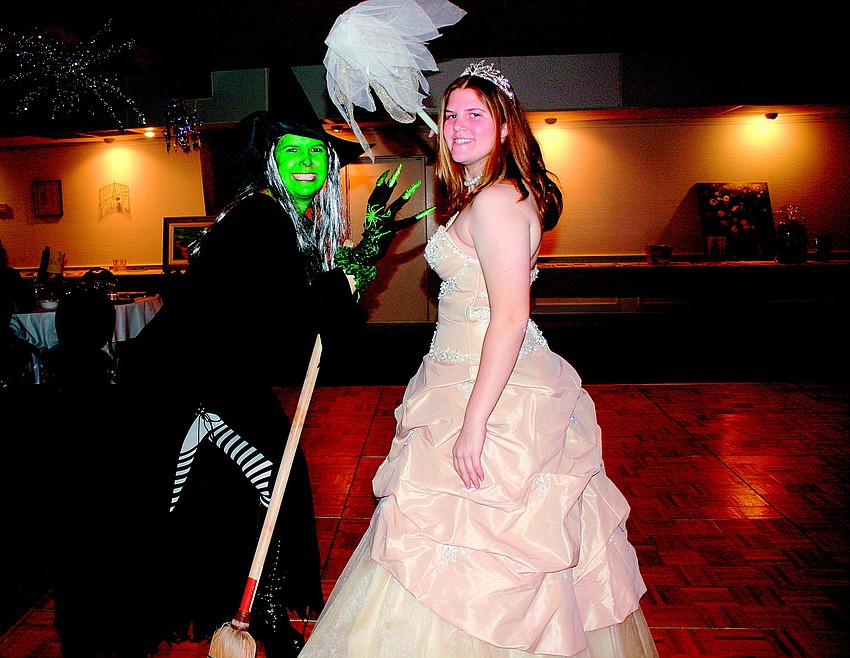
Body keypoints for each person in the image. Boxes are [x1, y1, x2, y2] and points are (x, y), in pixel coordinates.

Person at [300, 62, 659, 657]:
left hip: (486, 388)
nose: (458, 125)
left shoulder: (495, 200)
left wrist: (474, 422)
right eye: (451, 114)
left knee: (481, 544)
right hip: (460, 372)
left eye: (476, 114)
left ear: (504, 126)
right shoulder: (491, 192)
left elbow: (510, 316)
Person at [51, 109, 428, 658]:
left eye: (315, 152)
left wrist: (349, 267)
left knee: (225, 491)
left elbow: (290, 324)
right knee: (231, 487)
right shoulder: (263, 216)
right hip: (182, 383)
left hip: (210, 377)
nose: (305, 161)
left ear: (327, 166)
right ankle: (231, 615)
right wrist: (360, 259)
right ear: (270, 159)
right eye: (290, 149)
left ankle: (253, 612)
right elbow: (291, 325)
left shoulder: (278, 223)